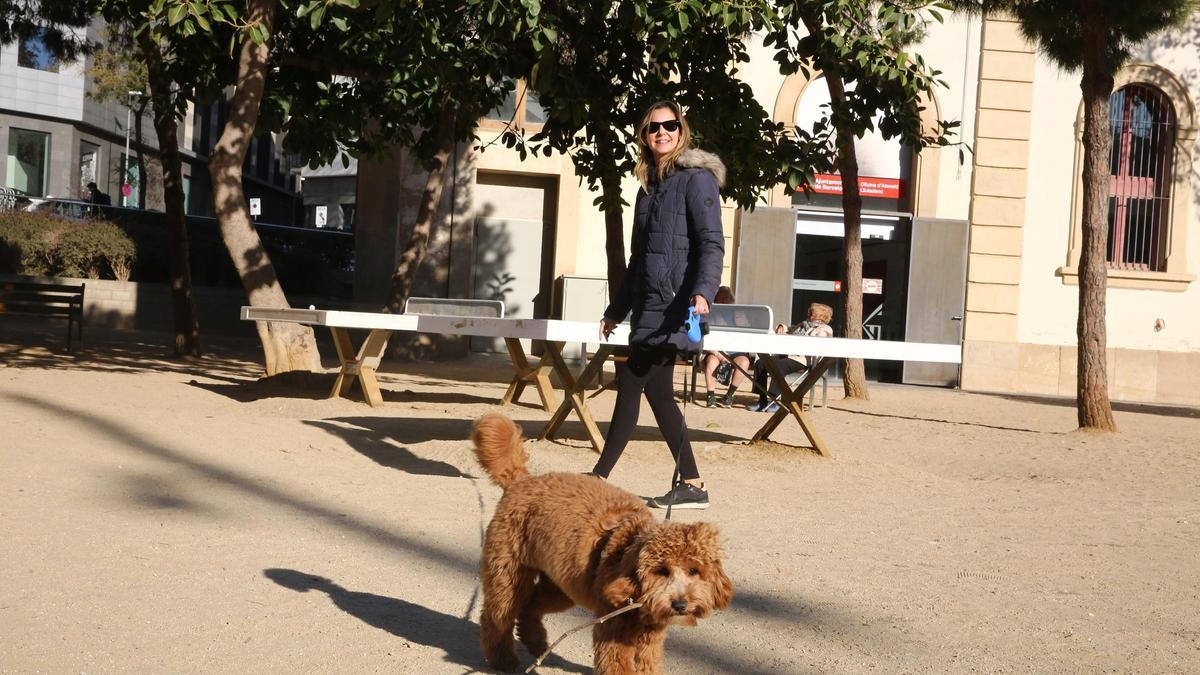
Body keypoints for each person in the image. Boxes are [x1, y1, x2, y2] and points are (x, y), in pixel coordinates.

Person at [592, 100, 725, 510]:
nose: (661, 133)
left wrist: (703, 291)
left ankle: (598, 478)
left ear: (680, 129)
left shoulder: (696, 180)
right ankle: (693, 483)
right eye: (653, 128)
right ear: (644, 136)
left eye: (669, 125)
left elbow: (711, 243)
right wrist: (616, 310)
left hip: (676, 307)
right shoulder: (647, 187)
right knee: (659, 396)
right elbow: (638, 260)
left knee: (632, 384)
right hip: (648, 305)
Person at [748, 302, 834, 413]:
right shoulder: (804, 325)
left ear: (819, 315)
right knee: (761, 363)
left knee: (778, 367)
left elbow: (816, 346)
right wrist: (781, 327)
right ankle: (762, 399)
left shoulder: (824, 330)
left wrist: (792, 339)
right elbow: (790, 329)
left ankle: (776, 401)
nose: (808, 313)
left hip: (803, 359)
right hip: (787, 354)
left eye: (811, 312)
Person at [701, 285, 752, 408]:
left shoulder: (737, 312)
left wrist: (741, 321)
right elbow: (705, 336)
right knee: (712, 362)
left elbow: (748, 331)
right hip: (715, 350)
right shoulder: (711, 312)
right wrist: (718, 354)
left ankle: (729, 395)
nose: (725, 300)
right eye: (722, 298)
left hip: (734, 350)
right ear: (716, 298)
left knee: (744, 362)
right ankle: (711, 395)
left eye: (728, 298)